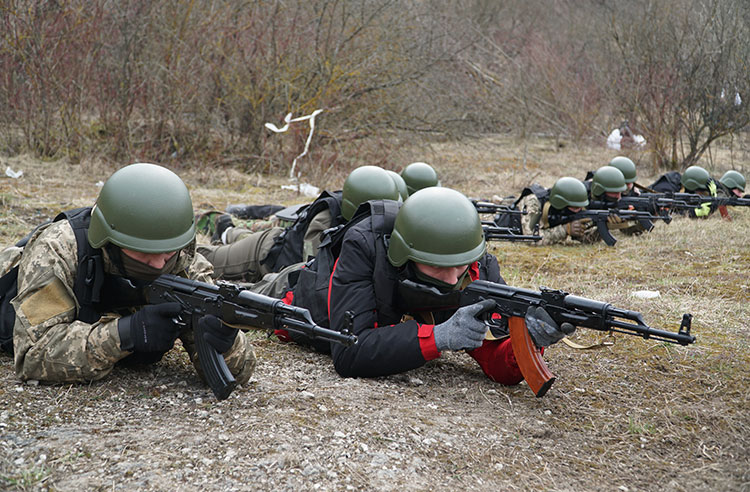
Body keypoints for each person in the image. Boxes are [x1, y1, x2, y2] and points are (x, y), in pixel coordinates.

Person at [288, 186, 574, 382]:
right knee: (260, 269)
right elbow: (349, 353)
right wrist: (438, 336)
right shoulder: (365, 248)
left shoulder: (476, 266)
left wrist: (530, 340)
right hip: (304, 291)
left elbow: (496, 360)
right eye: (437, 267)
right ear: (405, 256)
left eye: (459, 266)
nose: (452, 280)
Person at [8, 163, 256, 386]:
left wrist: (225, 341)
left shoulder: (185, 263)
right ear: (110, 240)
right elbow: (32, 355)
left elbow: (242, 370)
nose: (159, 264)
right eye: (144, 252)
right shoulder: (57, 249)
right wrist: (127, 333)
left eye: (168, 251)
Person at [196, 165, 400, 282]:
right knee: (209, 260)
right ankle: (223, 228)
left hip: (279, 241)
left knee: (239, 236)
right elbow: (309, 273)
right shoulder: (325, 221)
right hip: (266, 253)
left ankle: (228, 230)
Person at [511, 177, 598, 245]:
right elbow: (530, 239)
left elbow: (587, 239)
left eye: (580, 207)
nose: (578, 210)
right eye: (574, 207)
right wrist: (565, 229)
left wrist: (601, 228)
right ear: (561, 203)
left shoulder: (573, 208)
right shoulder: (534, 202)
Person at [648, 165, 718, 218]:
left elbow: (706, 210)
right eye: (701, 192)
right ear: (691, 187)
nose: (701, 195)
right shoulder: (666, 189)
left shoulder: (682, 189)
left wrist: (713, 196)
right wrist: (694, 213)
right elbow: (674, 214)